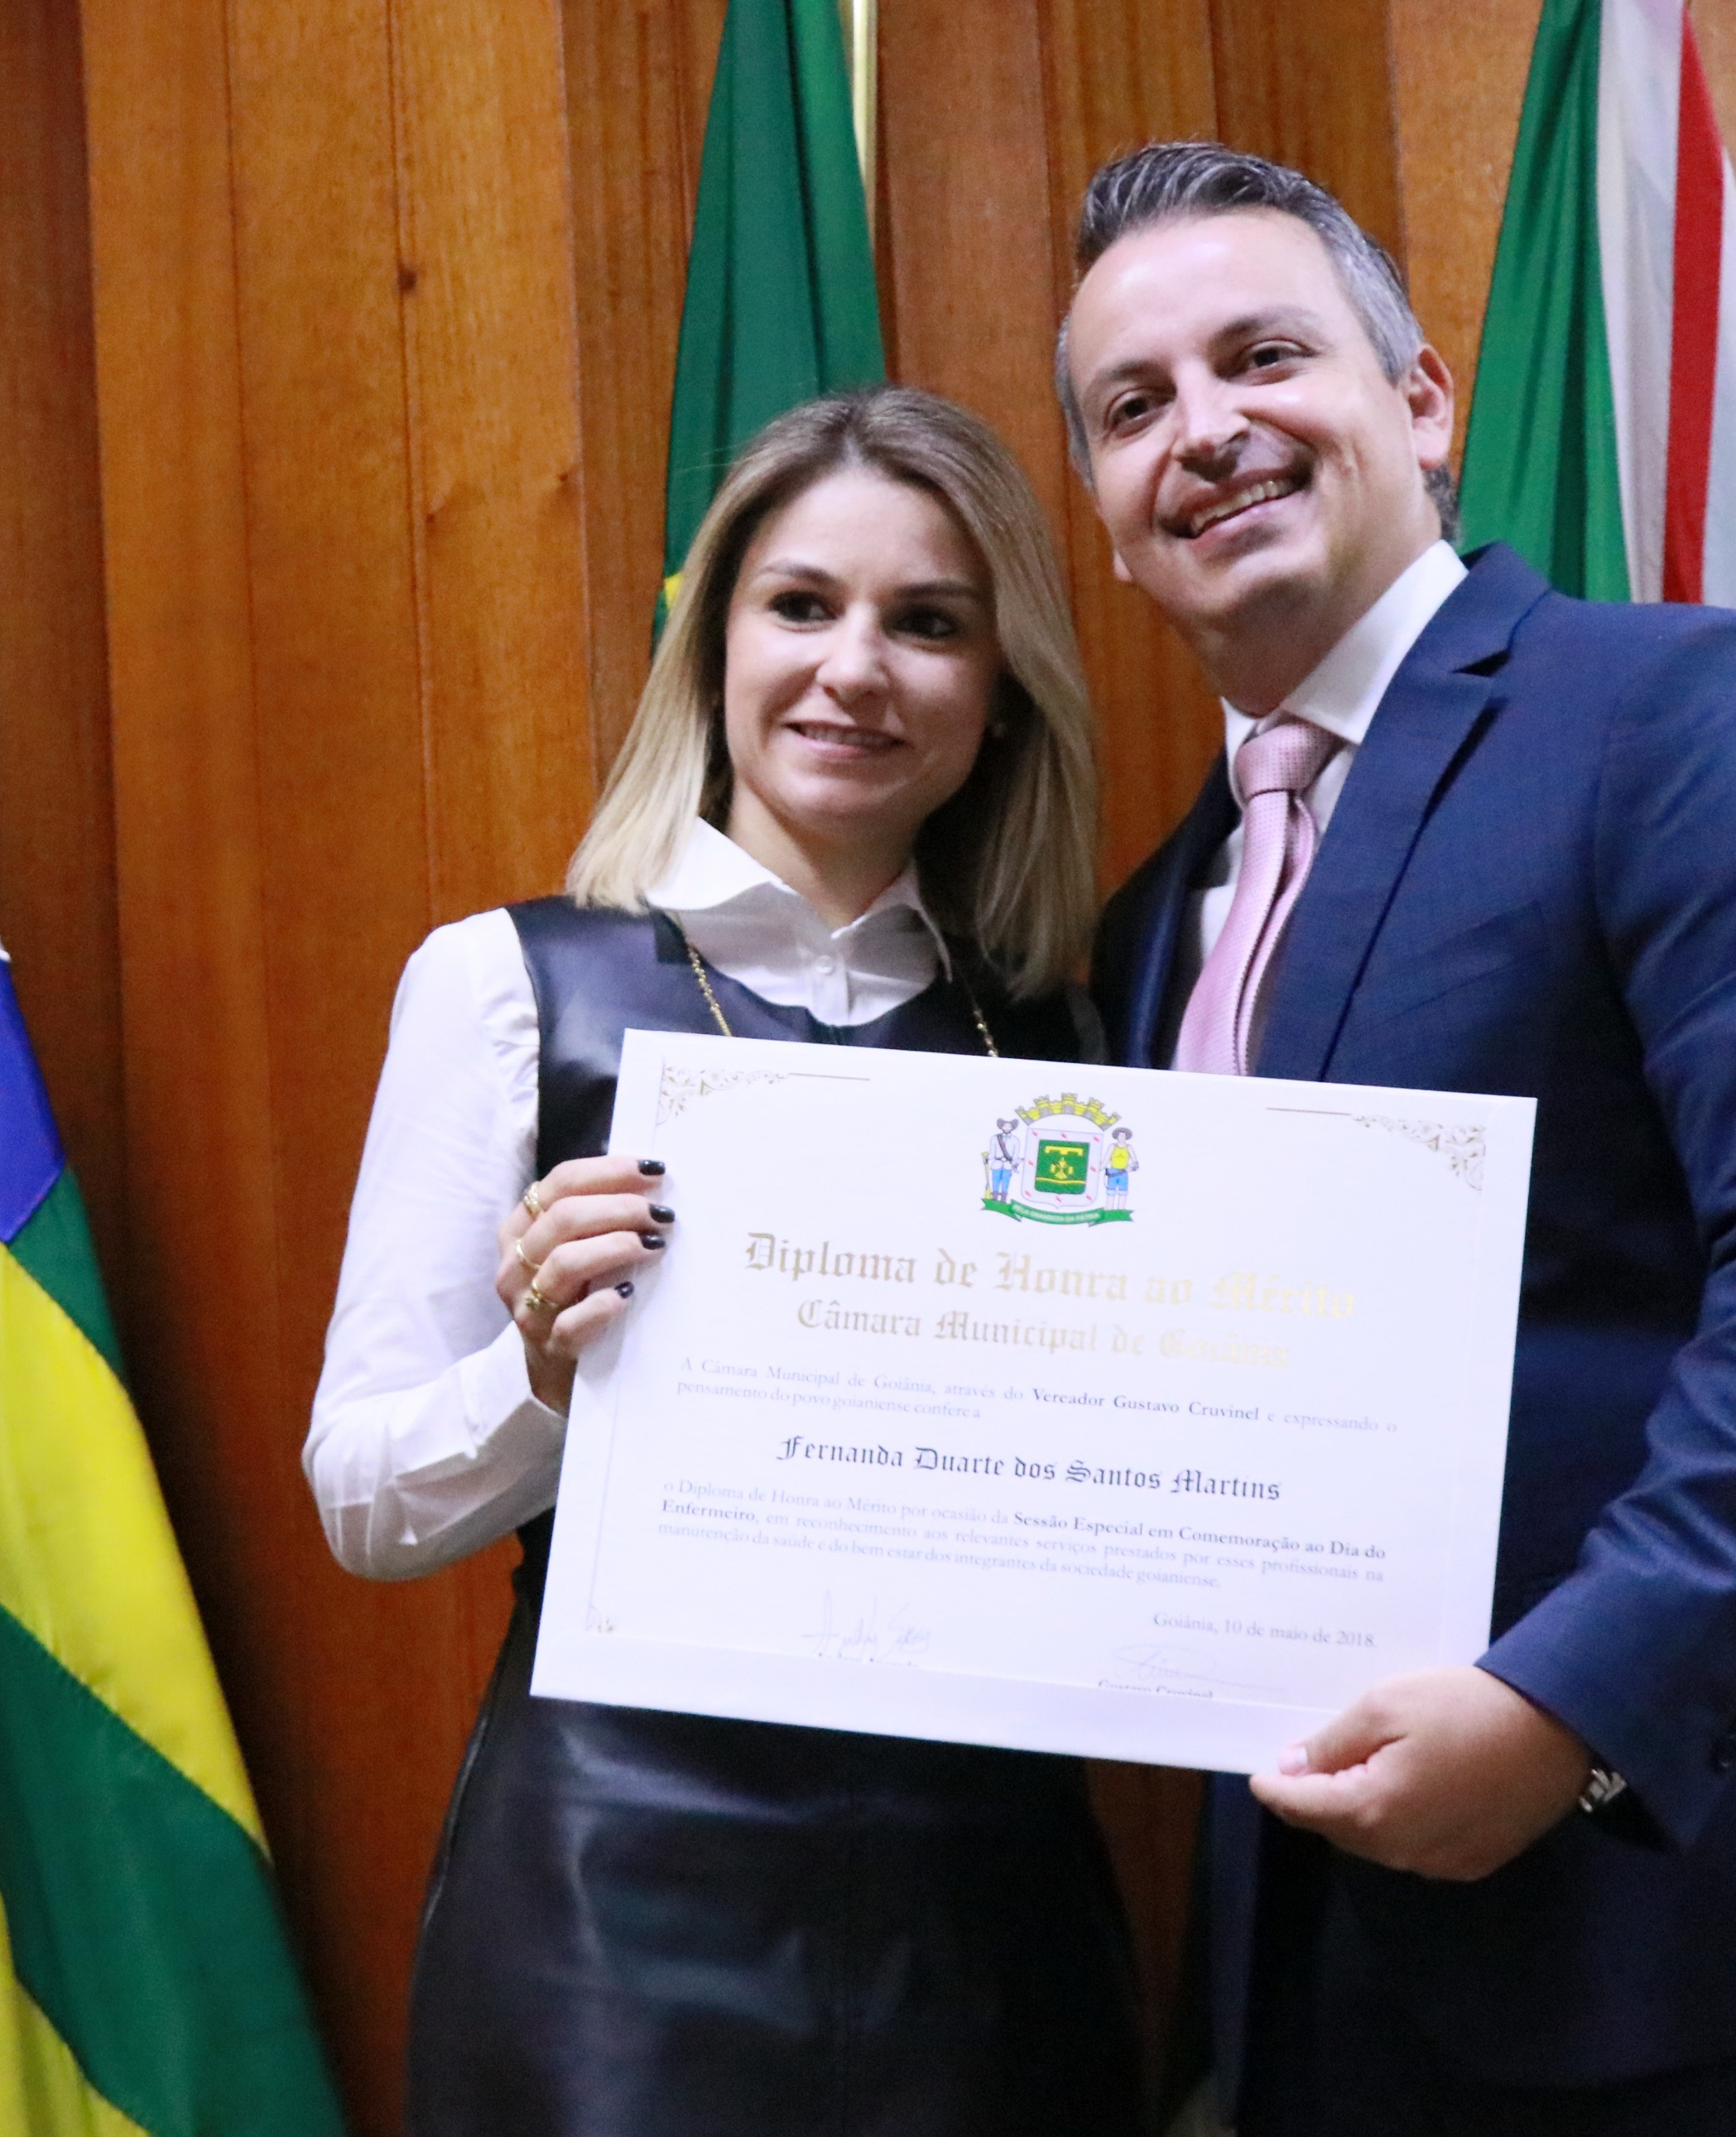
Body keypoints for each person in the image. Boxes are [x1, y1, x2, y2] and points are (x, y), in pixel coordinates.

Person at [1057, 143, 1736, 2135]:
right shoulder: (1144, 929)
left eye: (1262, 356)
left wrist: (1573, 1706)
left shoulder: (1669, 710)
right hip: (1324, 1977)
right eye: (1132, 407)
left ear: (1419, 400)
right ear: (1109, 524)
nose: (1200, 430)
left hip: (1715, 1929)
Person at [307, 386, 1145, 2137]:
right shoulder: (505, 984)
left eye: (930, 622)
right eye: (801, 605)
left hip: (990, 1918)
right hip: (615, 1908)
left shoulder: (1069, 1042)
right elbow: (365, 1503)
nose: (855, 668)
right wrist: (545, 1379)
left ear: (1002, 692)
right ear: (712, 648)